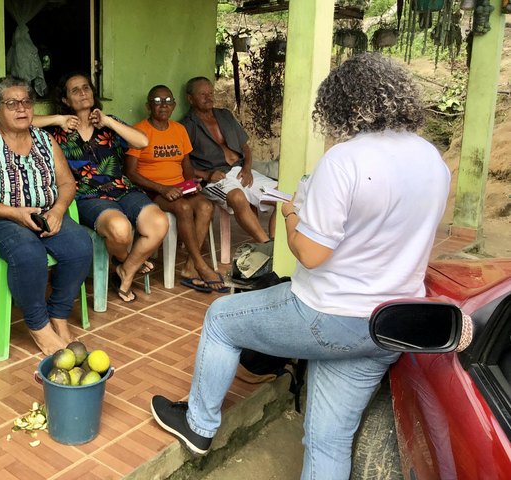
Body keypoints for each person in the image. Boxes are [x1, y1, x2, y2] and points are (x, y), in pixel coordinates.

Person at [151, 53, 451, 478]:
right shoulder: (431, 159)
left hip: (330, 313)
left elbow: (309, 253)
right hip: (390, 323)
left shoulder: (346, 160)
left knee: (221, 318)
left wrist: (293, 215)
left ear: (343, 105)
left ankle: (198, 425)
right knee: (329, 440)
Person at [0, 76, 92, 355]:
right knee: (28, 252)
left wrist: (59, 210)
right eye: (11, 103)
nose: (22, 109)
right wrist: (14, 213)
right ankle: (39, 325)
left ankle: (59, 315)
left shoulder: (44, 139)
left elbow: (67, 183)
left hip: (41, 215)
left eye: (26, 102)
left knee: (80, 245)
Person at [36, 72, 169, 303]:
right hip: (86, 196)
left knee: (159, 223)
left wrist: (108, 121)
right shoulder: (57, 131)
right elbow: (20, 121)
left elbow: (143, 141)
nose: (83, 92)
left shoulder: (110, 123)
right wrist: (57, 119)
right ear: (66, 100)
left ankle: (126, 270)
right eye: (75, 90)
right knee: (120, 229)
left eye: (86, 88)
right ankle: (125, 260)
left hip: (122, 189)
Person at [124, 85, 226, 293]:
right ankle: (200, 265)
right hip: (152, 190)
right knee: (184, 209)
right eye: (158, 101)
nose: (163, 106)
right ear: (148, 105)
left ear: (174, 105)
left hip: (179, 187)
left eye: (168, 101)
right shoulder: (139, 131)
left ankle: (189, 267)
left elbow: (186, 164)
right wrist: (162, 188)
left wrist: (192, 184)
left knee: (206, 206)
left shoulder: (179, 130)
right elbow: (131, 173)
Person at [181, 76, 277, 244]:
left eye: (210, 93)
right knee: (238, 197)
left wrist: (247, 168)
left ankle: (276, 246)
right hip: (216, 179)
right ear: (190, 98)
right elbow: (182, 162)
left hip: (241, 170)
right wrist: (206, 175)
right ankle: (266, 246)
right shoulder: (186, 126)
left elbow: (245, 147)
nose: (209, 97)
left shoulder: (224, 115)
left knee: (283, 196)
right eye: (202, 94)